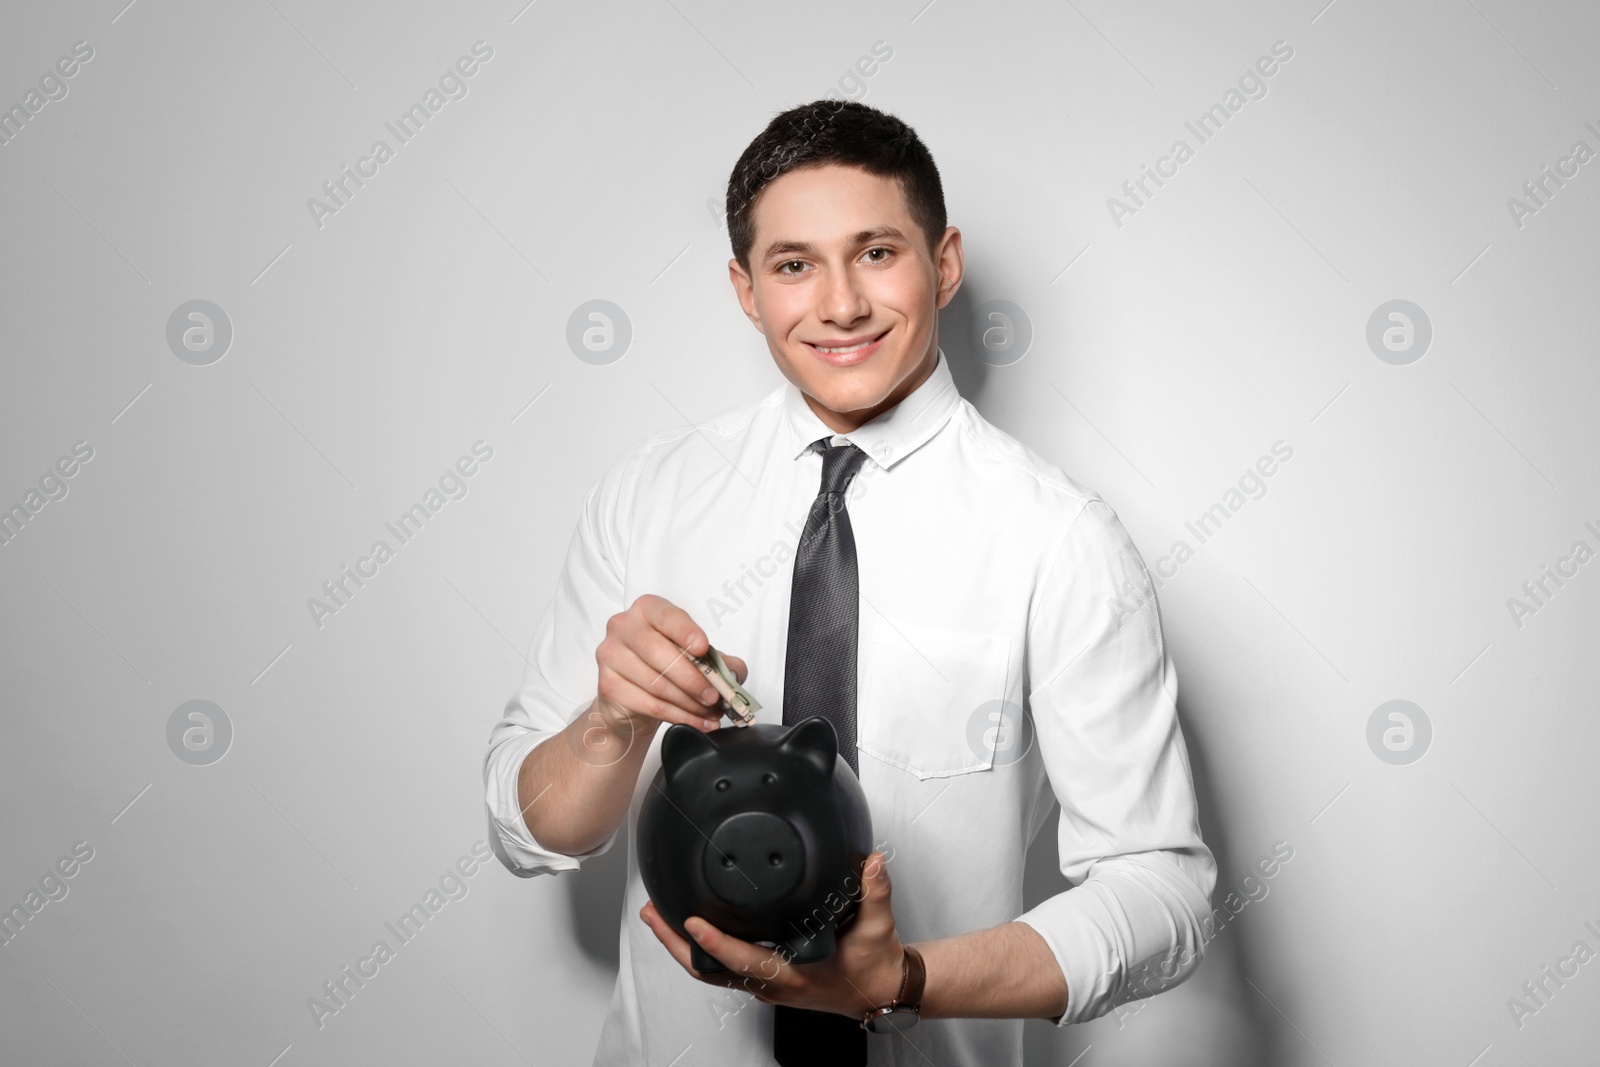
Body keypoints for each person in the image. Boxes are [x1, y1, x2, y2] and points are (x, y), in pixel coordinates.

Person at [483, 98, 1216, 1066]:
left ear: (942, 262)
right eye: (794, 265)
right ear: (746, 290)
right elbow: (529, 831)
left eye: (876, 252)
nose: (839, 304)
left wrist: (899, 979)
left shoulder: (1060, 538)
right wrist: (611, 723)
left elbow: (1160, 890)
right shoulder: (646, 497)